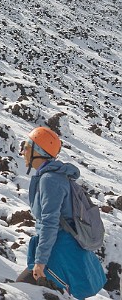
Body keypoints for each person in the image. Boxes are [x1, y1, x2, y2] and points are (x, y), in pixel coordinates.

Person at [15, 127, 106, 298]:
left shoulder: (50, 180)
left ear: (38, 151)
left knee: (19, 291)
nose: (22, 152)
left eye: (26, 146)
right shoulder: (56, 177)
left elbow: (50, 223)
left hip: (57, 255)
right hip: (66, 251)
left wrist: (40, 262)